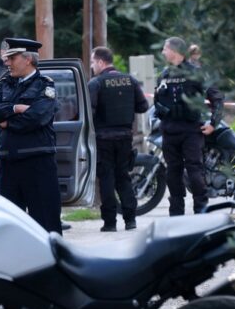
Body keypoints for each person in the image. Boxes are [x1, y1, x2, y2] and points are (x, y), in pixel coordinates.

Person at [0, 37, 62, 234]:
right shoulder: (3, 84)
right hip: (8, 162)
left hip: (38, 162)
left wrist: (6, 122)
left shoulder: (45, 85)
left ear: (28, 59)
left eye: (12, 58)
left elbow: (37, 118)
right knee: (9, 225)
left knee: (46, 224)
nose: (7, 62)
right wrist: (15, 108)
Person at [154, 36, 223, 216]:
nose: (163, 52)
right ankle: (176, 214)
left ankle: (201, 212)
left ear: (175, 51)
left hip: (191, 131)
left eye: (165, 49)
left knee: (194, 172)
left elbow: (217, 98)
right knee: (172, 174)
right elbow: (157, 102)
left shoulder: (196, 73)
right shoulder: (164, 75)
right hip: (169, 131)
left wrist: (213, 124)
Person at [88, 46, 149, 232]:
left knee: (106, 179)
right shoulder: (130, 80)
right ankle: (130, 220)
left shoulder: (96, 83)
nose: (91, 66)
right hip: (125, 138)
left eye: (92, 62)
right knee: (123, 177)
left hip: (103, 139)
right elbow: (143, 106)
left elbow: (89, 112)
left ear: (101, 62)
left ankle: (110, 223)